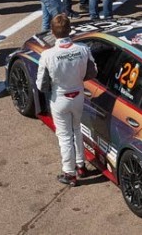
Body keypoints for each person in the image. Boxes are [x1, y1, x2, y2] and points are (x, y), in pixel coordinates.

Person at [36, 14, 96, 186]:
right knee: (77, 129)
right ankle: (81, 166)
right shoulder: (83, 49)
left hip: (60, 98)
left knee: (64, 136)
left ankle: (69, 173)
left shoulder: (47, 55)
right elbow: (93, 72)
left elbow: (41, 85)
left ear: (52, 32)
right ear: (70, 29)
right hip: (78, 95)